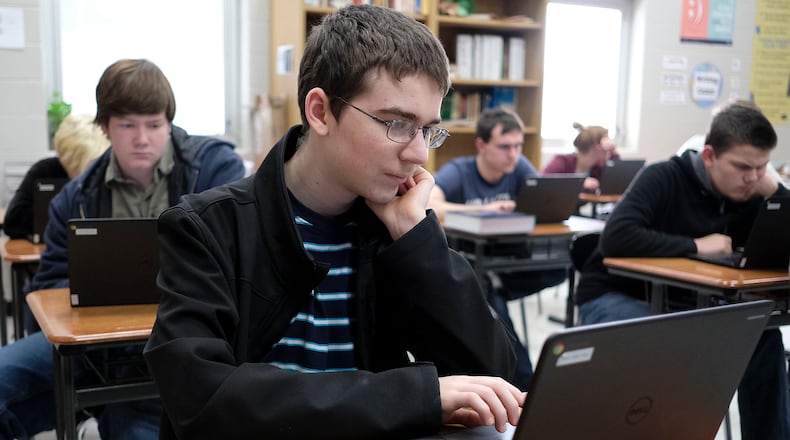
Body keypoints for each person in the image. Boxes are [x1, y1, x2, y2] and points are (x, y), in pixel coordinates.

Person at [143, 5, 522, 439]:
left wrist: (416, 239)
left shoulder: (392, 228)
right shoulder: (206, 227)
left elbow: (493, 374)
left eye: (427, 130)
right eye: (398, 124)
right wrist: (416, 396)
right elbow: (202, 400)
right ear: (320, 112)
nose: (419, 153)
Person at [0, 58, 246, 440]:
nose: (142, 139)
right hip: (101, 351)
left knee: (136, 429)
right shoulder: (76, 197)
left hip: (186, 342)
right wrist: (93, 305)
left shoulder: (215, 170)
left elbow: (241, 263)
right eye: (128, 125)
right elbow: (48, 287)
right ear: (104, 127)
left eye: (154, 125)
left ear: (169, 123)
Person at [575, 104, 790, 439]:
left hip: (691, 302)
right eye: (742, 167)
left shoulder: (754, 192)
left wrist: (778, 193)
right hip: (616, 293)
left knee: (763, 336)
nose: (752, 177)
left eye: (761, 168)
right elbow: (616, 237)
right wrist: (695, 245)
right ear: (709, 155)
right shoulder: (663, 177)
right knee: (668, 342)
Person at [428, 106, 567, 391]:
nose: (513, 154)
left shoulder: (519, 167)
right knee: (485, 290)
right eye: (505, 146)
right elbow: (430, 203)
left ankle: (494, 285)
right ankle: (524, 381)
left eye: (518, 146)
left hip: (510, 262)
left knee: (562, 267)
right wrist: (486, 209)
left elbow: (545, 198)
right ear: (481, 145)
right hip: (470, 260)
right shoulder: (460, 170)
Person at [3, 113, 108, 239]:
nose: (85, 173)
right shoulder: (45, 171)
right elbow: (12, 222)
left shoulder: (111, 173)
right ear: (65, 158)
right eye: (76, 163)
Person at [541, 122, 619, 192]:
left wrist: (613, 152)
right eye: (606, 151)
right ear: (596, 148)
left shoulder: (597, 168)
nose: (608, 155)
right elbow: (542, 184)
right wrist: (578, 183)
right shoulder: (562, 162)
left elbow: (619, 180)